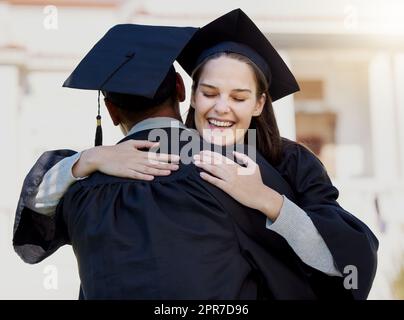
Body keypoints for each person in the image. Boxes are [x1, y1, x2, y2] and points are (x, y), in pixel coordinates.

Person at [13, 10, 378, 300]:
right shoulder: (222, 173)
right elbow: (333, 273)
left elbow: (31, 233)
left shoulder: (84, 186)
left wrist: (81, 164)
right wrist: (86, 160)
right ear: (184, 90)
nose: (222, 108)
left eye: (238, 97)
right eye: (211, 92)